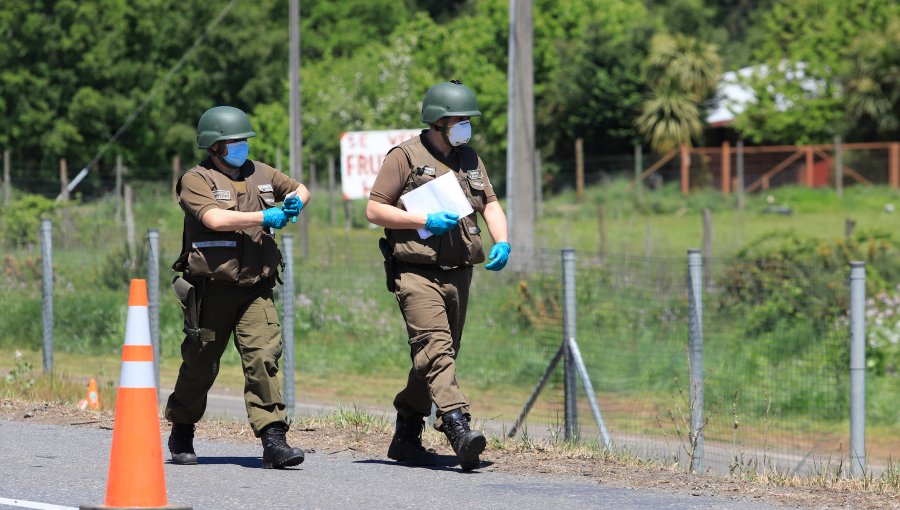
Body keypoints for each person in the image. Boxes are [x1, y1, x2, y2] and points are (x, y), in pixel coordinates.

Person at [366, 80, 511, 471]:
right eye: (458, 119)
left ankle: (406, 435)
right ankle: (458, 426)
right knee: (437, 348)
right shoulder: (405, 156)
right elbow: (375, 210)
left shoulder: (469, 158)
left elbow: (491, 203)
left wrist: (502, 240)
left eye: (468, 119)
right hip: (415, 272)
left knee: (435, 356)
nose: (465, 125)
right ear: (437, 121)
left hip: (459, 272)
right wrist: (422, 218)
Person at [165, 105, 310, 469]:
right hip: (212, 288)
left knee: (264, 358)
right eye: (233, 142)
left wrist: (294, 203)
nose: (241, 147)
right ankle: (182, 426)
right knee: (201, 365)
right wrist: (264, 215)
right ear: (214, 146)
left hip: (255, 287)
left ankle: (273, 438)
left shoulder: (260, 171)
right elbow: (214, 218)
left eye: (244, 140)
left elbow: (301, 188)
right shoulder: (196, 179)